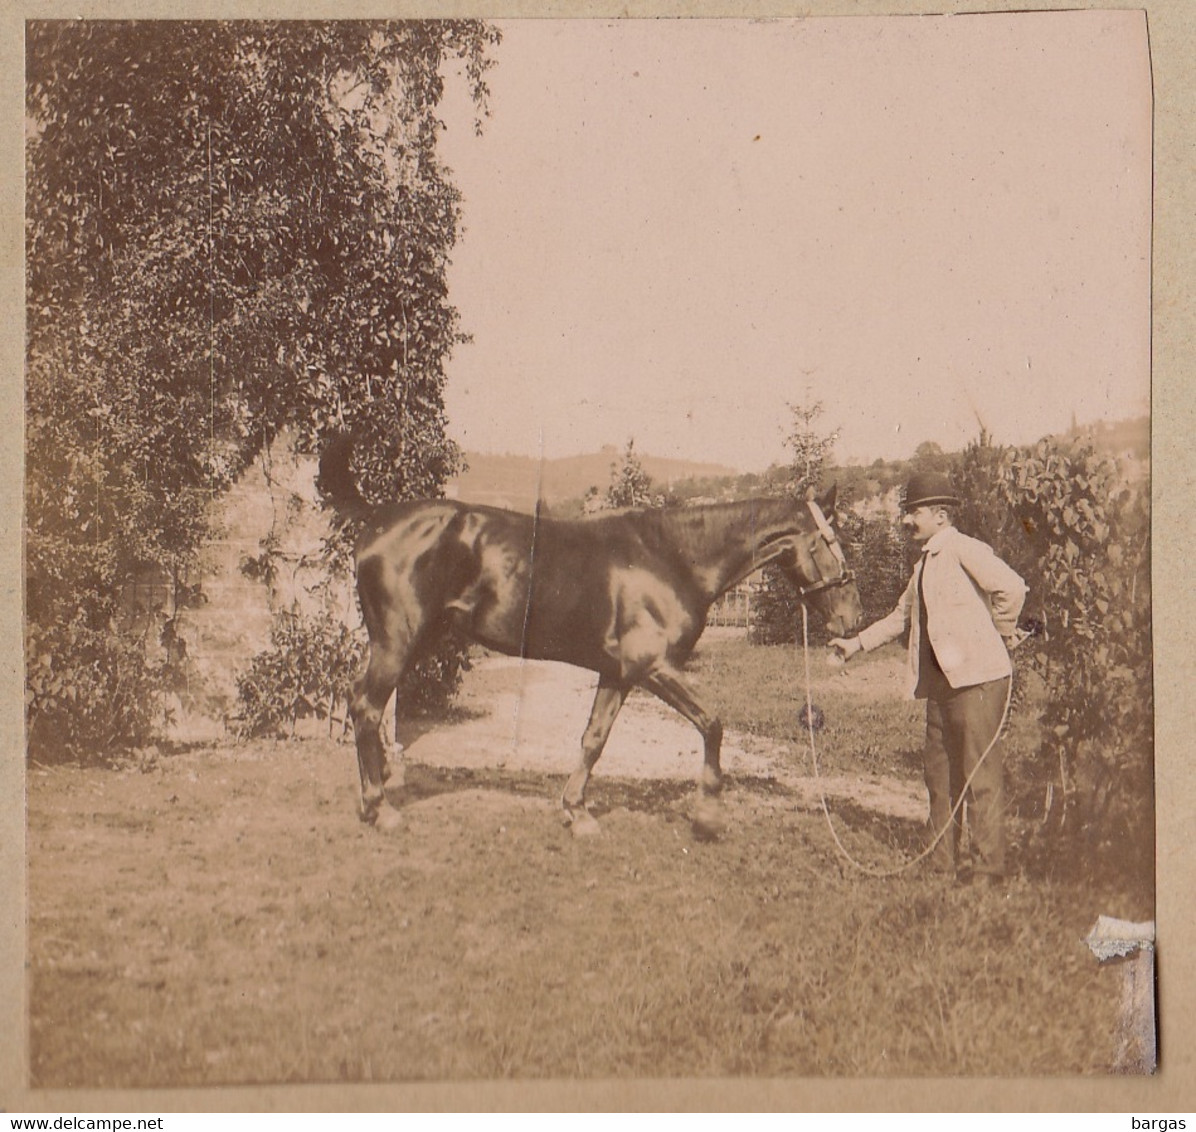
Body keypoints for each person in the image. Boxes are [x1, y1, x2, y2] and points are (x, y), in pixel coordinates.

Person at [828, 471, 1027, 886]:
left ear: (940, 515)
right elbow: (900, 618)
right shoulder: (923, 565)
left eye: (913, 512)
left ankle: (988, 870)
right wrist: (855, 645)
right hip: (941, 686)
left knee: (979, 776)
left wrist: (1001, 634)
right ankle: (942, 865)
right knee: (939, 775)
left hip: (979, 682)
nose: (906, 521)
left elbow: (1012, 587)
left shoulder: (962, 549)